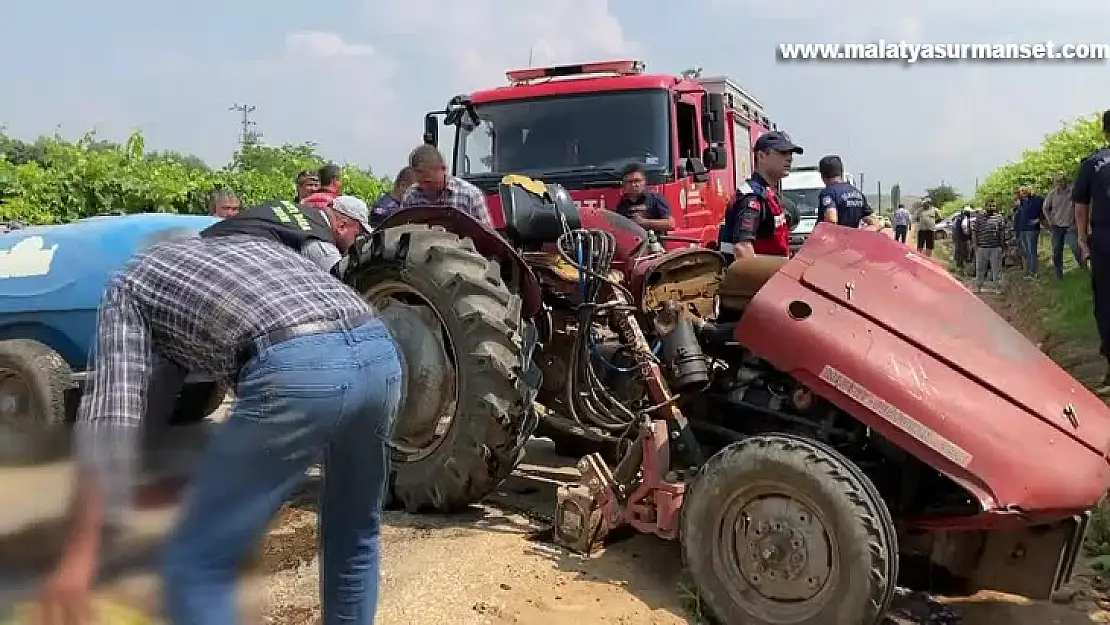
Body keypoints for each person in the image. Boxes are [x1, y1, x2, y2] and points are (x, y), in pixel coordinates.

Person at [35, 234, 402, 625]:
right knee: (355, 534)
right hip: (379, 353)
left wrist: (78, 559)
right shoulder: (252, 247)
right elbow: (156, 399)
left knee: (196, 566)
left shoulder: (131, 282)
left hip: (297, 365)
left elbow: (114, 420)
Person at [201, 196, 370, 275]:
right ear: (341, 226)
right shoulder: (319, 243)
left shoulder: (294, 208)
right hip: (216, 266)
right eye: (358, 234)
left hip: (202, 245)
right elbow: (342, 283)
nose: (357, 241)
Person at [718, 131, 802, 263]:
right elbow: (742, 249)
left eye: (791, 153)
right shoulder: (752, 198)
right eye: (782, 152)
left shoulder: (768, 194)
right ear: (761, 156)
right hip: (758, 282)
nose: (790, 158)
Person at [1073, 109, 1110, 393]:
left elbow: (1081, 209)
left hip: (1104, 239)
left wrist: (1083, 243)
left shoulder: (1092, 163)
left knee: (1106, 302)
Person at [400, 145, 492, 227]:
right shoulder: (411, 196)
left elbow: (488, 238)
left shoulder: (469, 195)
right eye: (420, 183)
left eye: (428, 182)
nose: (424, 187)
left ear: (443, 169)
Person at [817, 155, 881, 230]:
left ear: (822, 175)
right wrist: (860, 233)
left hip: (836, 240)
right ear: (841, 173)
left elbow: (831, 220)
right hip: (853, 240)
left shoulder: (828, 193)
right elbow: (875, 223)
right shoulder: (858, 193)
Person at [1043, 172, 1086, 278]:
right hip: (1057, 226)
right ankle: (1059, 274)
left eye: (1061, 181)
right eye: (1057, 181)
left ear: (1065, 181)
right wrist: (1049, 220)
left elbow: (1080, 204)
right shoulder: (1052, 194)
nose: (1060, 183)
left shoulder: (1072, 191)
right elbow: (1045, 208)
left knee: (1076, 247)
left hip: (1070, 225)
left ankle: (1084, 269)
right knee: (1057, 250)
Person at [614, 162, 675, 235]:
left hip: (654, 243)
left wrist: (643, 222)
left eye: (637, 181)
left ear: (644, 182)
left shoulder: (655, 199)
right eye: (630, 182)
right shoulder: (622, 204)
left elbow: (671, 224)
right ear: (624, 185)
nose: (634, 185)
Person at [972, 200, 1006, 293]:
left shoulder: (999, 218)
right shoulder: (979, 218)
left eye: (994, 206)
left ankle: (998, 288)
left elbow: (1002, 232)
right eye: (990, 206)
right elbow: (975, 231)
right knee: (980, 269)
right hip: (982, 247)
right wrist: (975, 245)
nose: (992, 208)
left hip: (995, 247)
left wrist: (1002, 246)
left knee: (997, 269)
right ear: (985, 206)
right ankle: (978, 287)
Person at [1015, 186, 1044, 278]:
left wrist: (1039, 219)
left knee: (1032, 251)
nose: (1022, 193)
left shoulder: (1038, 199)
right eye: (1021, 192)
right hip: (1023, 229)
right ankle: (1029, 271)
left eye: (1024, 191)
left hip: (1032, 229)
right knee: (1026, 252)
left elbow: (1045, 209)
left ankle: (1033, 272)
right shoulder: (1022, 202)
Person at [951, 205, 972, 271]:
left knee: (958, 251)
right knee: (963, 251)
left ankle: (958, 265)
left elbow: (953, 227)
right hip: (963, 238)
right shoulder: (964, 218)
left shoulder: (957, 217)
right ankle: (961, 267)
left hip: (957, 237)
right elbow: (965, 228)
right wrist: (969, 236)